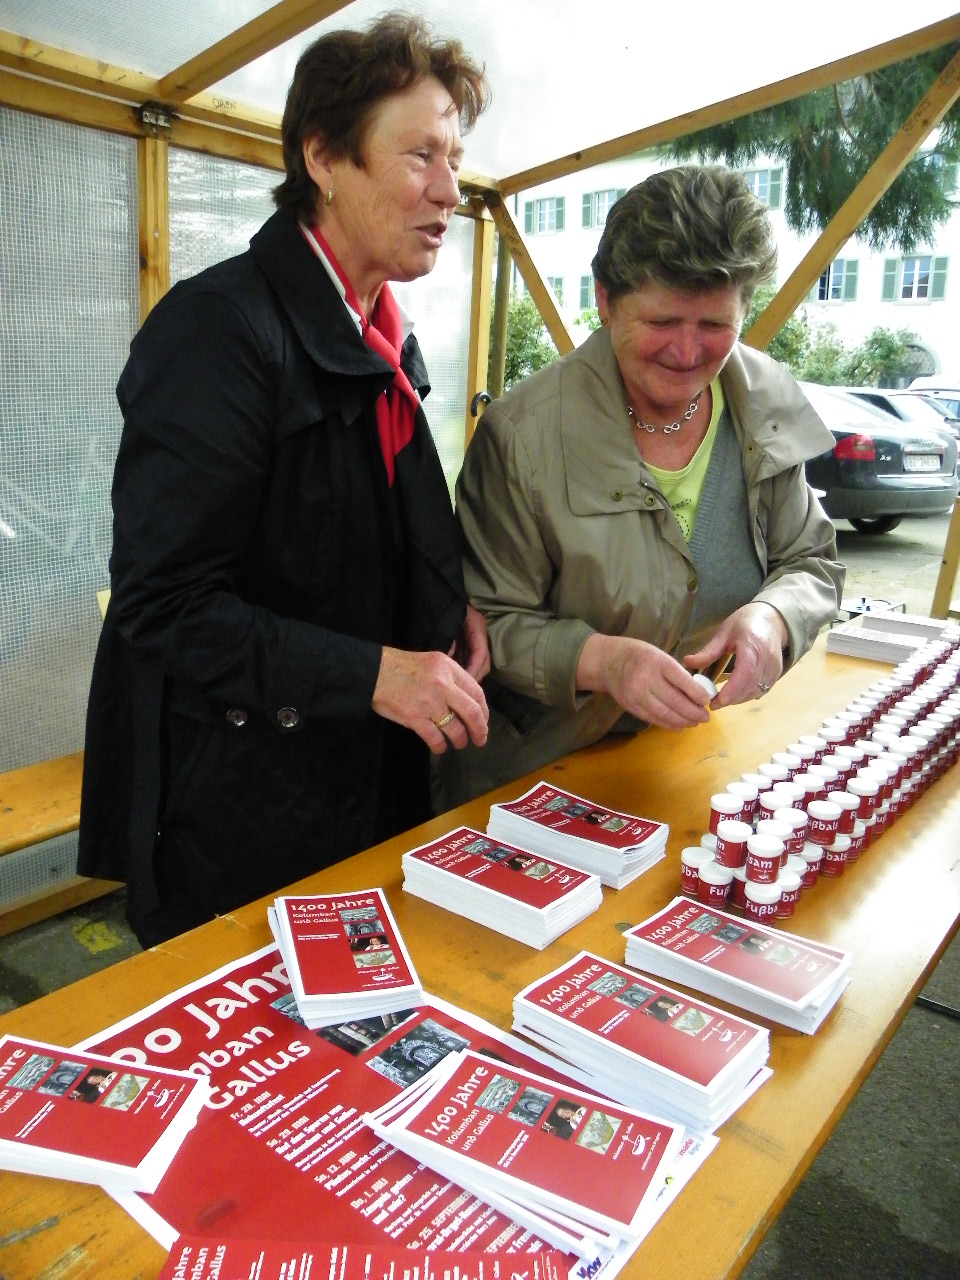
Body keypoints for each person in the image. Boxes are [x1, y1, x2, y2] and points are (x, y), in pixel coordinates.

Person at [78, 13, 491, 946]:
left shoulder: (379, 331)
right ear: (323, 156)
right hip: (239, 822)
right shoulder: (218, 332)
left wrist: (438, 603)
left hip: (360, 788)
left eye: (456, 160)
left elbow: (351, 529)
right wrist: (376, 672)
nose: (450, 191)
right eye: (421, 156)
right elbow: (164, 604)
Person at [437, 165, 844, 805]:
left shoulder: (763, 404)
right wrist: (604, 662)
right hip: (535, 780)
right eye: (662, 322)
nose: (687, 352)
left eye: (715, 325)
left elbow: (810, 561)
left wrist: (773, 618)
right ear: (605, 300)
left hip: (691, 764)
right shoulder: (523, 436)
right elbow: (486, 625)